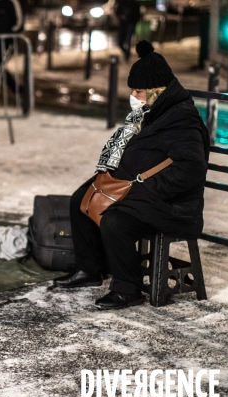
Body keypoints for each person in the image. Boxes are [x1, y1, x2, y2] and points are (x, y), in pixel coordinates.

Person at [53, 40, 210, 310]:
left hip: (172, 204)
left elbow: (190, 169)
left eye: (139, 90)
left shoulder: (181, 119)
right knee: (83, 199)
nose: (134, 95)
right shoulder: (152, 112)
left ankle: (127, 288)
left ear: (157, 91)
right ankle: (89, 269)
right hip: (140, 190)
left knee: (115, 220)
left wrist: (144, 192)